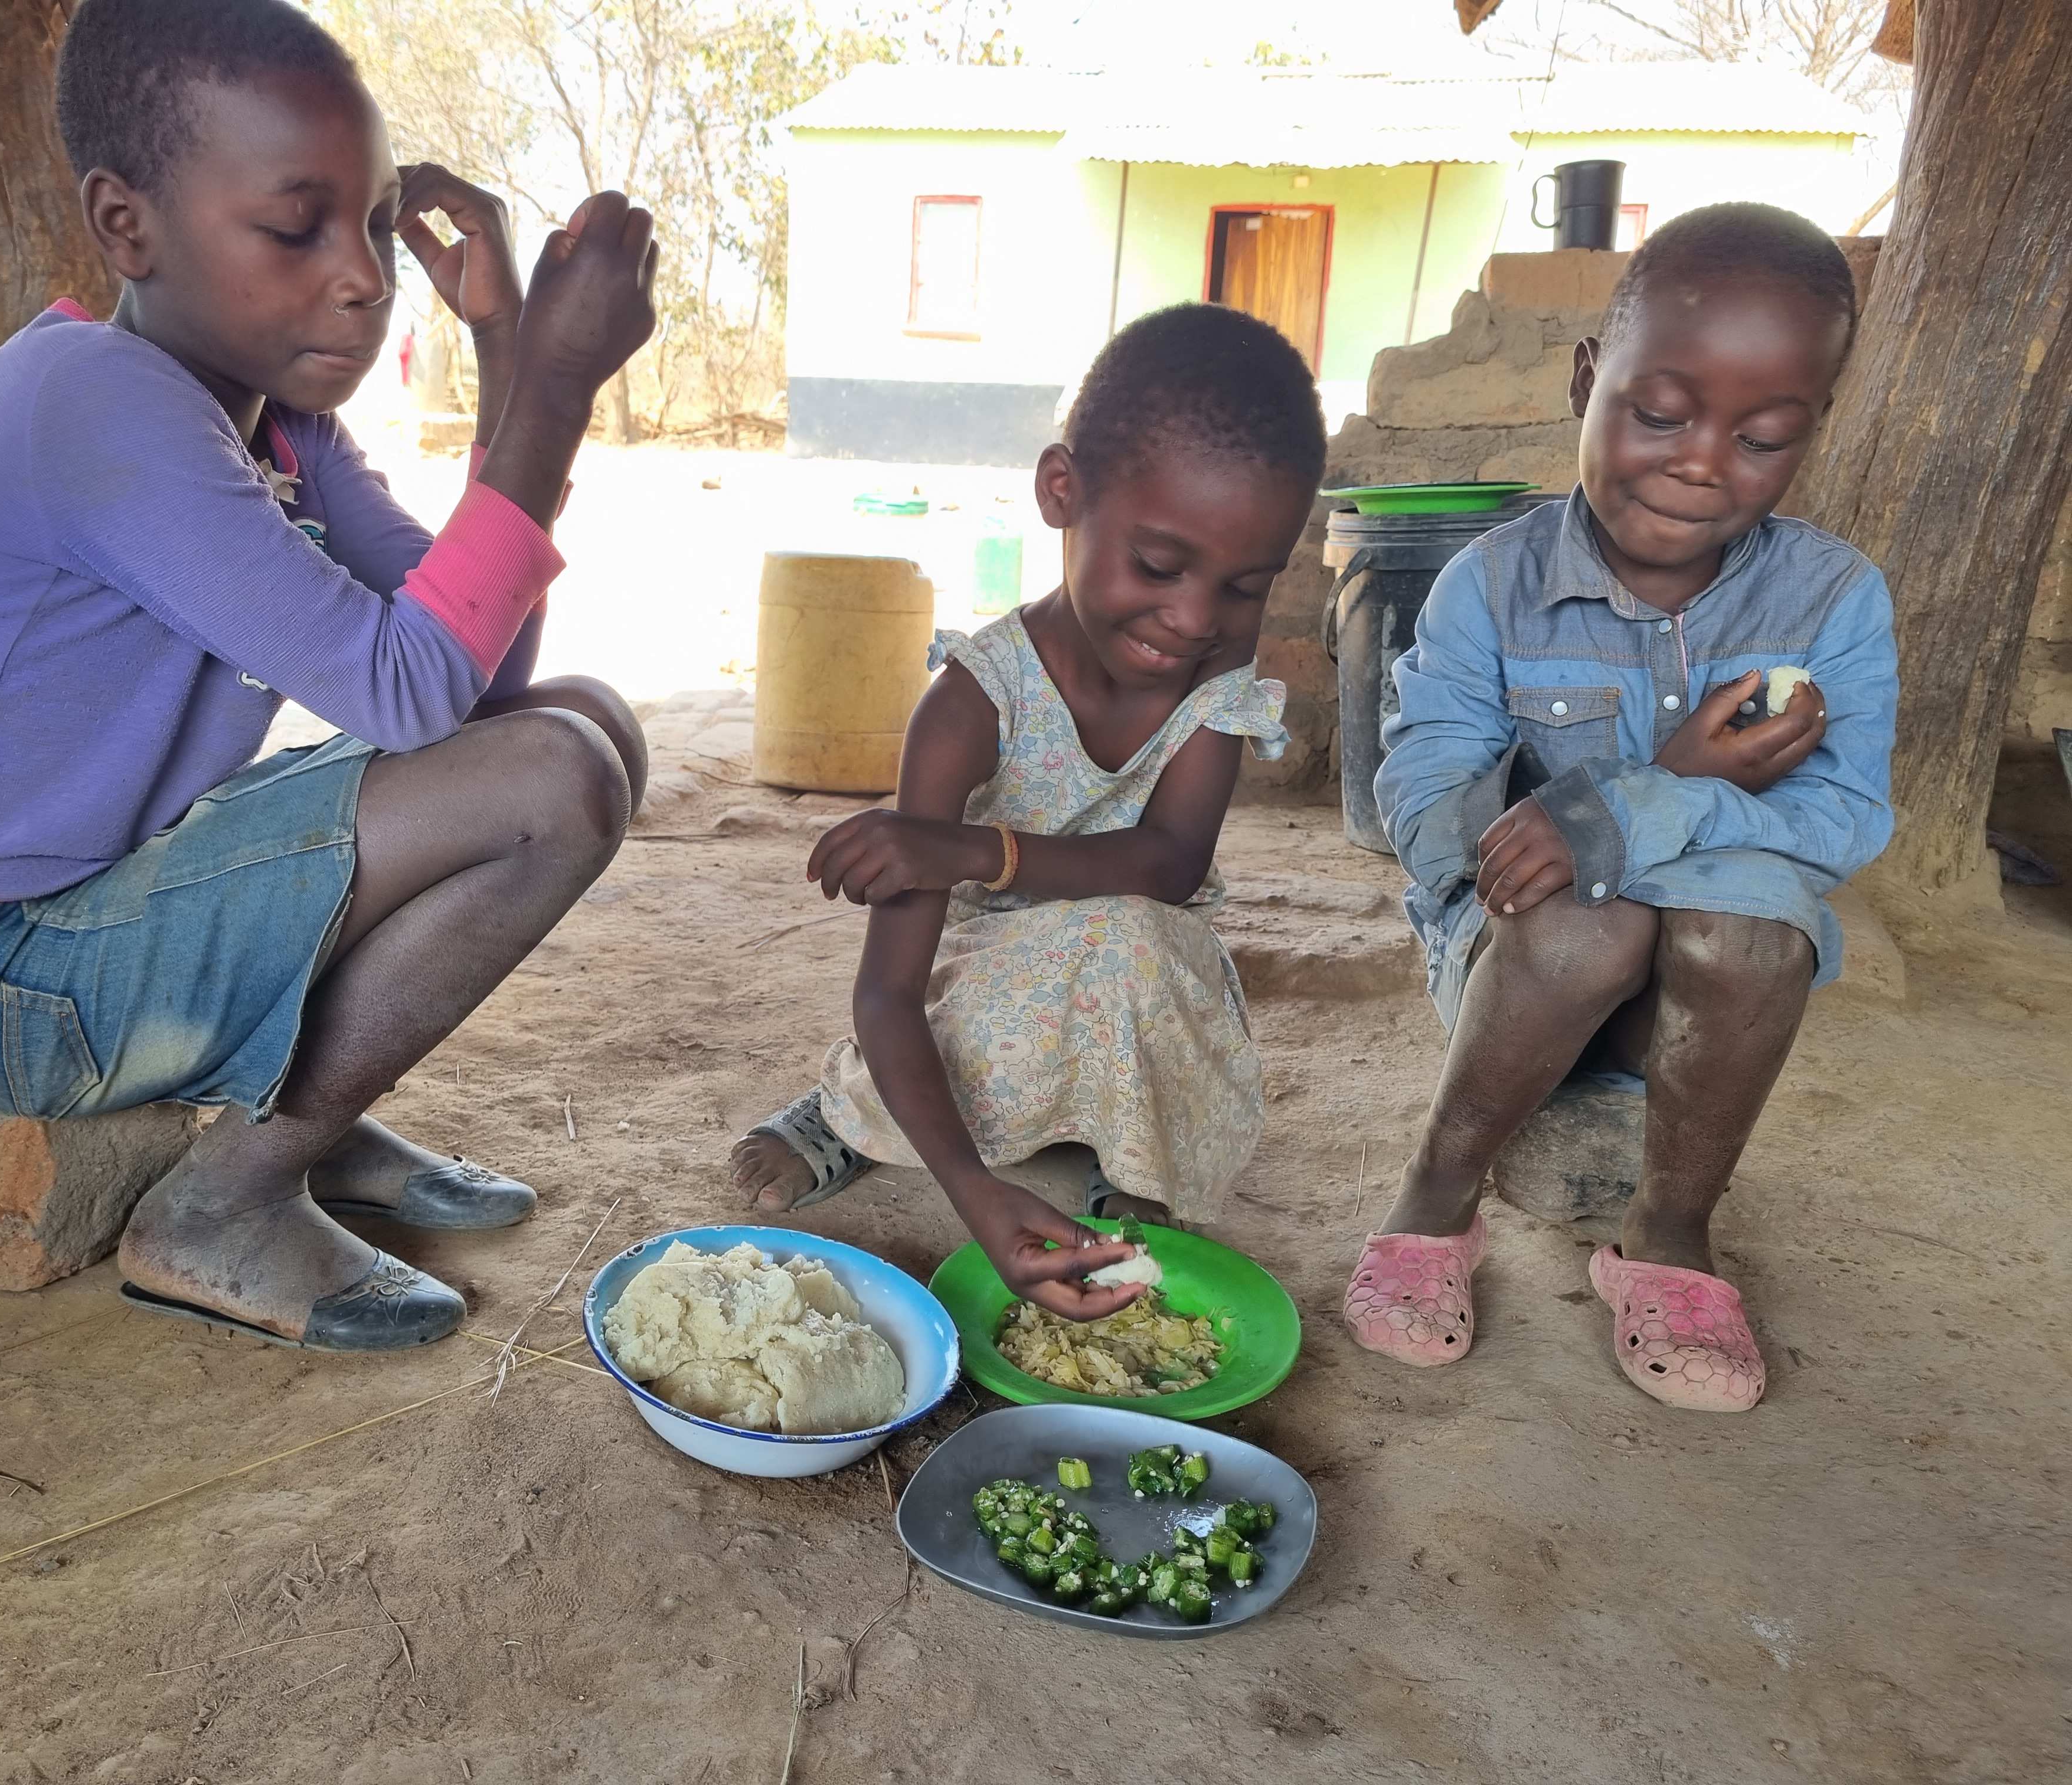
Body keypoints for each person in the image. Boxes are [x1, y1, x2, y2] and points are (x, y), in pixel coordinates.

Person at [0, 0, 658, 1352]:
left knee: (583, 726)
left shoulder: (273, 424)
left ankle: (305, 1106)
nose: (364, 274)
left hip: (96, 901)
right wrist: (556, 389)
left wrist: (509, 348)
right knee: (554, 781)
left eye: (380, 224)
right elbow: (414, 696)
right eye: (296, 226)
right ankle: (230, 1199)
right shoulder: (90, 404)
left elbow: (491, 679)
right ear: (128, 225)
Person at [1351, 203, 1898, 1412]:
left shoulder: (1834, 599)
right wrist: (1604, 830)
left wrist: (1645, 806)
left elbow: (1850, 819)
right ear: (1587, 381)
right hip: (1519, 971)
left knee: (1756, 919)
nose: (1704, 460)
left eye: (1763, 436)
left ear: (1811, 432)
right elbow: (1432, 803)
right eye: (1660, 416)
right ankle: (1435, 1197)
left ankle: (1670, 1237)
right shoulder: (1488, 587)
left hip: (1697, 1005)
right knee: (1589, 915)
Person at [731, 304, 1324, 1320]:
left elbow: (1171, 864)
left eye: (1245, 586)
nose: (1194, 621)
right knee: (925, 1053)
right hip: (988, 990)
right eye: (1159, 566)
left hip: (1137, 975)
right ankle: (845, 1113)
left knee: (1136, 939)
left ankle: (1123, 1165)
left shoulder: (1215, 672)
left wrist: (965, 849)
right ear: (1063, 492)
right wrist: (975, 1197)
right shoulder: (974, 705)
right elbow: (889, 994)